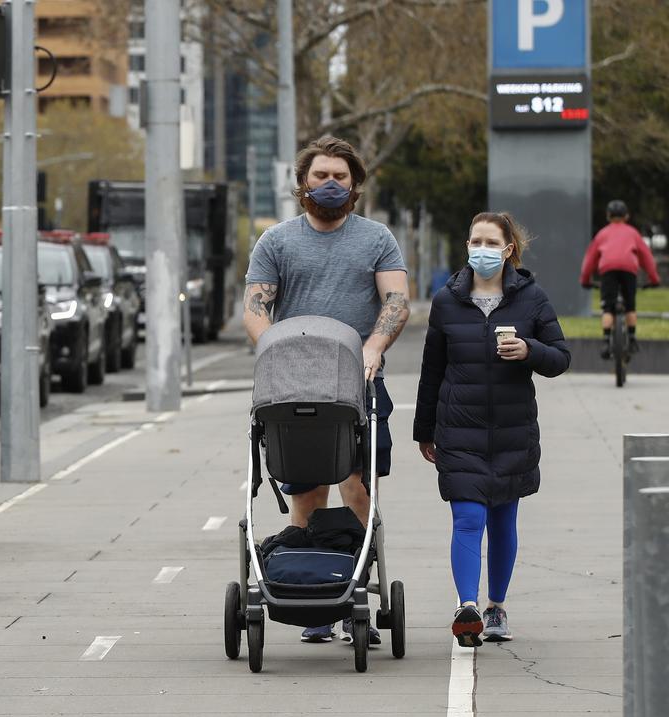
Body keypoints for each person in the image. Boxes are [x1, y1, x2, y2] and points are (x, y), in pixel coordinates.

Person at [243, 135, 410, 645]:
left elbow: (396, 300)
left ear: (355, 184)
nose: (331, 183)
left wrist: (375, 346)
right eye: (321, 175)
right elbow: (255, 309)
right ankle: (315, 597)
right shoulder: (276, 242)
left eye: (340, 176)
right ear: (303, 183)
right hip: (293, 386)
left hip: (358, 382)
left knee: (358, 487)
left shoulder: (376, 238)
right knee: (307, 487)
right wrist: (274, 350)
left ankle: (354, 586)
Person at [414, 212, 570, 647]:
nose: (480, 249)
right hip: (458, 428)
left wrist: (528, 349)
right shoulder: (447, 300)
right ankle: (466, 607)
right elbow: (432, 370)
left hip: (512, 429)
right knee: (467, 517)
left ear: (508, 250)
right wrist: (424, 429)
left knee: (503, 519)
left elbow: (560, 358)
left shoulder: (532, 298)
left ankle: (496, 605)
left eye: (490, 241)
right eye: (474, 241)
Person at [579, 200, 661, 357]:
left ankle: (605, 340)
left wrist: (585, 280)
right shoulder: (633, 233)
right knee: (630, 306)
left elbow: (590, 260)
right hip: (629, 270)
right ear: (627, 216)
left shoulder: (602, 234)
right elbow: (647, 258)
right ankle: (631, 337)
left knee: (608, 308)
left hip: (608, 270)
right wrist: (654, 279)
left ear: (608, 216)